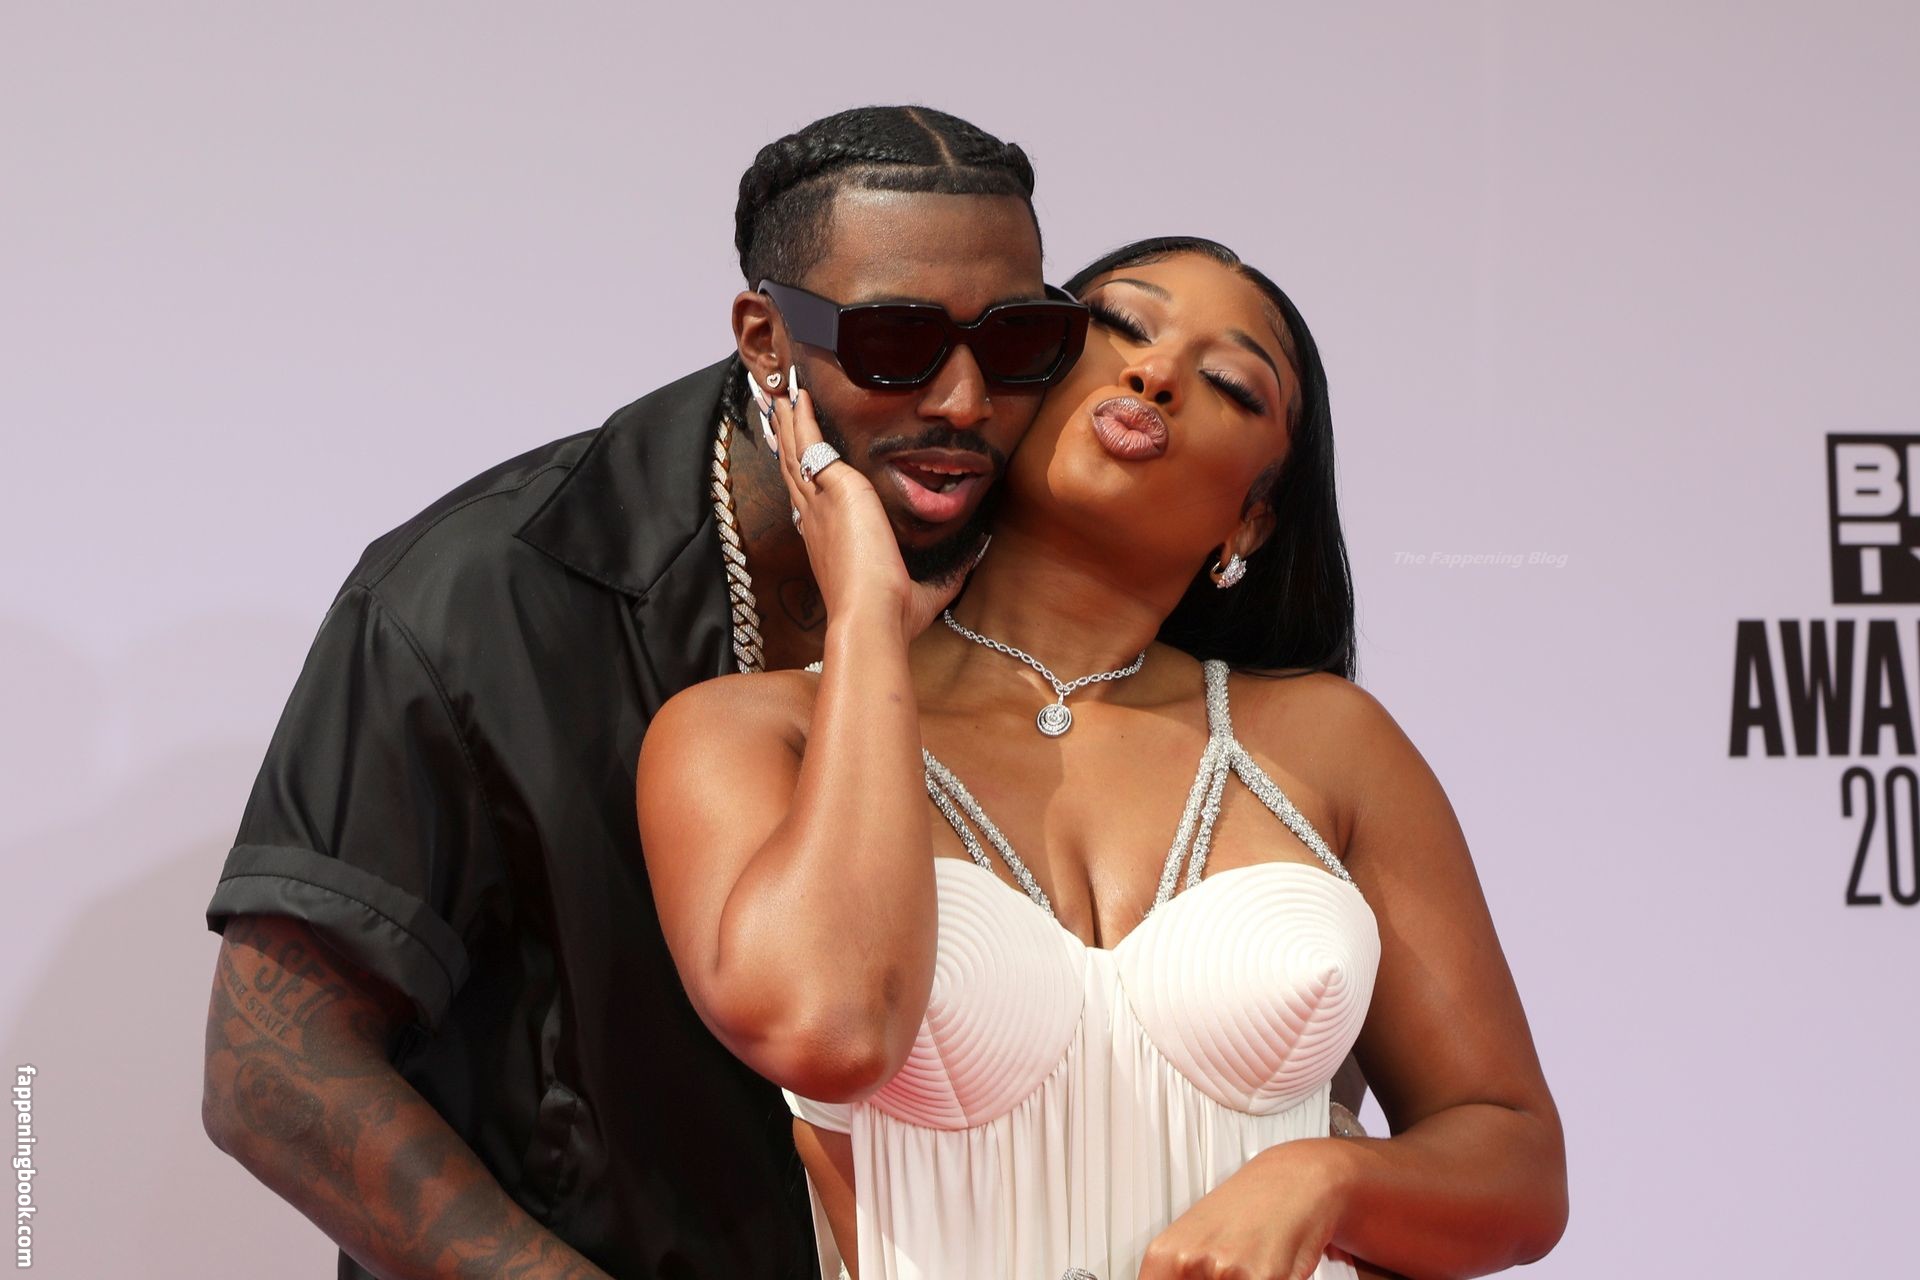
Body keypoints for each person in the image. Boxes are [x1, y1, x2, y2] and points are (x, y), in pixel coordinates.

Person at [196, 104, 1080, 1279]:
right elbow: (273, 1069)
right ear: (766, 338)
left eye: (1019, 339)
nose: (965, 400)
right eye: (893, 343)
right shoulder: (479, 597)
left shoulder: (1047, 574)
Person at [636, 238, 1569, 1279]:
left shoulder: (1331, 744)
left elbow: (1517, 1163)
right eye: (1119, 327)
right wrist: (864, 612)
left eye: (1231, 383)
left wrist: (1323, 1180)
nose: (1156, 373)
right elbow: (829, 1030)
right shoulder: (757, 734)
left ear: (1250, 521)